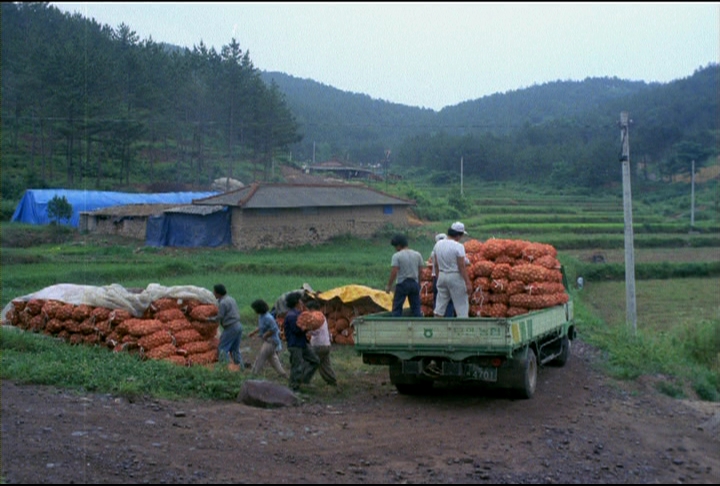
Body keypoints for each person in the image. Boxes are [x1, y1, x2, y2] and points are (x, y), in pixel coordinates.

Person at [432, 222, 472, 318]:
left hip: (442, 275)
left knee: (440, 306)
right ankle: (462, 329)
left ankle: (436, 327)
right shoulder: (458, 246)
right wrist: (467, 282)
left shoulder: (438, 245)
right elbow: (461, 266)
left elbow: (436, 264)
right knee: (461, 306)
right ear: (458, 235)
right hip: (455, 276)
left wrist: (439, 278)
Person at [283, 291, 320, 391]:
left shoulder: (298, 314)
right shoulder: (292, 315)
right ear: (296, 302)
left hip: (302, 343)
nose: (301, 302)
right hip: (295, 345)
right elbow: (297, 330)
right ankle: (293, 388)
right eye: (300, 300)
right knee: (296, 367)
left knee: (315, 360)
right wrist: (307, 327)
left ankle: (303, 381)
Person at [385, 234, 425, 317]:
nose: (395, 249)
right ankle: (419, 325)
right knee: (416, 308)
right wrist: (419, 283)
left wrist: (389, 286)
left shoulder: (397, 256)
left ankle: (396, 326)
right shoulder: (417, 254)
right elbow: (421, 271)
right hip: (414, 283)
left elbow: (394, 271)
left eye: (395, 247)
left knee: (397, 308)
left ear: (399, 245)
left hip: (402, 284)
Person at [248, 299, 289, 379]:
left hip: (271, 341)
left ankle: (253, 375)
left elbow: (274, 329)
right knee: (273, 360)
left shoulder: (268, 317)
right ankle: (284, 375)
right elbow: (261, 327)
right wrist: (253, 332)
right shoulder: (261, 316)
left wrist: (265, 335)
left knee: (261, 357)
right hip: (268, 340)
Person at [207, 284, 244, 370]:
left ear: (218, 293)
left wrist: (208, 319)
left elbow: (219, 317)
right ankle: (241, 367)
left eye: (214, 292)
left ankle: (226, 369)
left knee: (222, 348)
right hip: (238, 325)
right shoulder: (231, 299)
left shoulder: (223, 303)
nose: (213, 294)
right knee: (235, 349)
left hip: (231, 327)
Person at [305, 300, 338, 388]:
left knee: (310, 362)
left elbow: (316, 331)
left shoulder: (316, 316)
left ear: (312, 309)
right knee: (325, 365)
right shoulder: (321, 316)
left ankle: (304, 380)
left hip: (318, 346)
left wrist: (307, 332)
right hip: (326, 344)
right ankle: (332, 381)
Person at [430, 233, 456, 317]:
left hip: (437, 277)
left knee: (437, 299)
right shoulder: (450, 251)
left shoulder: (434, 252)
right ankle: (448, 318)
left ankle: (437, 319)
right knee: (449, 300)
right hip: (447, 276)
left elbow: (436, 265)